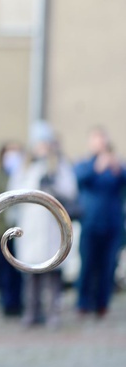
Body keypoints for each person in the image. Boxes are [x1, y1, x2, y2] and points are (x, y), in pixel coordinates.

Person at [12, 121, 77, 329]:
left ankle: (53, 313)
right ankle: (32, 311)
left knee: (52, 274)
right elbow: (13, 191)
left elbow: (70, 190)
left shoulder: (59, 166)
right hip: (30, 229)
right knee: (31, 274)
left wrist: (53, 185)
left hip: (51, 228)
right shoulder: (25, 166)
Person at [74, 126, 126, 318]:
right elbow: (79, 179)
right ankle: (83, 302)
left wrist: (117, 168)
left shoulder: (116, 165)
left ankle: (102, 304)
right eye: (96, 138)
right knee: (88, 264)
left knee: (108, 266)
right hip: (91, 223)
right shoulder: (85, 164)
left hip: (112, 224)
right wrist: (97, 167)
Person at [0, 141, 25, 317]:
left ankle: (18, 302)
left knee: (18, 269)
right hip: (2, 231)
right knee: (4, 269)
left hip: (19, 232)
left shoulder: (23, 174)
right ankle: (6, 302)